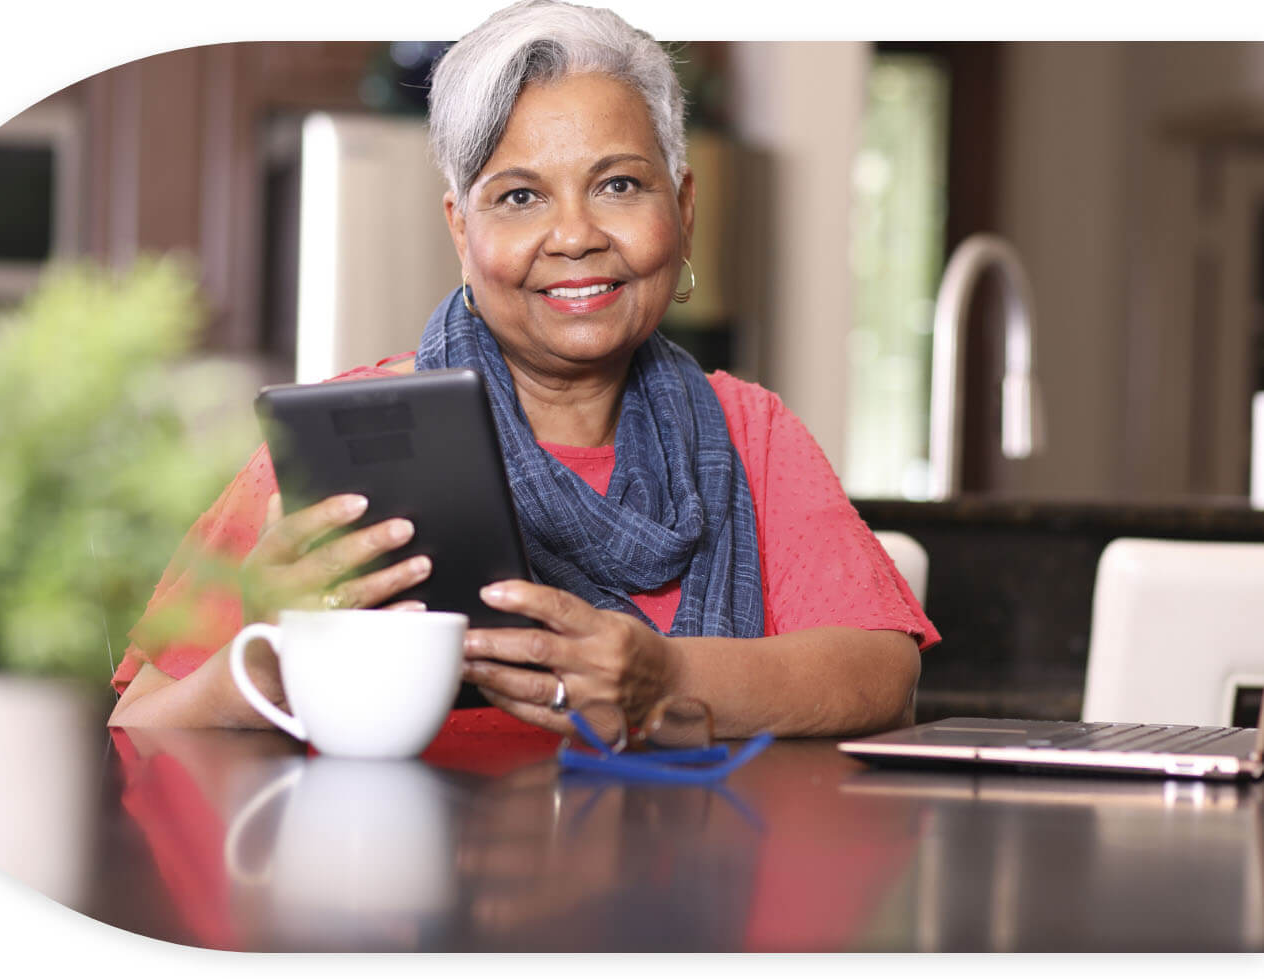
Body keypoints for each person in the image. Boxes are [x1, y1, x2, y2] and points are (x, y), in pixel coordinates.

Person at [108, 0, 938, 737]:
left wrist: (669, 680)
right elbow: (140, 723)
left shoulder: (749, 432)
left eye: (617, 184)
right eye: (518, 197)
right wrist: (274, 657)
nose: (574, 234)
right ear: (461, 231)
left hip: (686, 894)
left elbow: (881, 677)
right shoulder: (349, 434)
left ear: (681, 210)